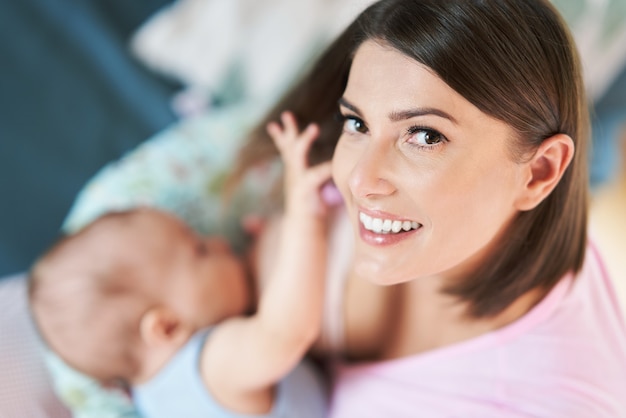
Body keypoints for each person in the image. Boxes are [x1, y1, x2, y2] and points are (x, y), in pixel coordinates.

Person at [227, 0, 626, 416]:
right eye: (357, 123)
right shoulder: (333, 200)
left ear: (540, 172)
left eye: (425, 136)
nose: (361, 181)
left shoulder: (541, 403)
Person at [28, 114, 332, 418]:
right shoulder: (207, 366)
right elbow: (285, 333)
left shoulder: (154, 404)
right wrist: (303, 217)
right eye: (200, 251)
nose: (220, 243)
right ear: (167, 327)